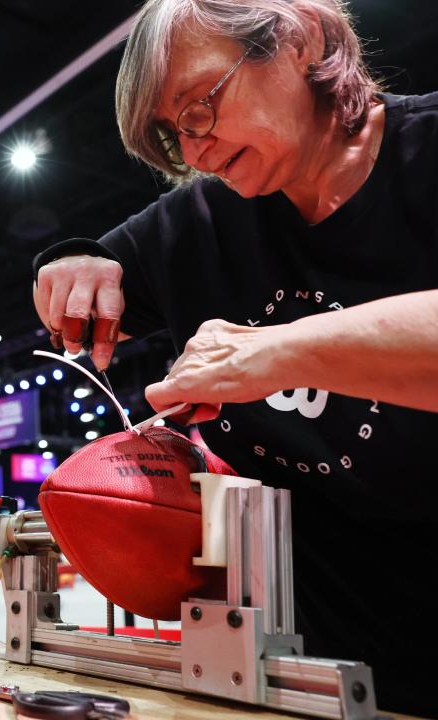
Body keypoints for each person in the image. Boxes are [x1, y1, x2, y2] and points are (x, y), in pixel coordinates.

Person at [31, 0, 437, 713]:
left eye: (200, 106)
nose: (193, 153)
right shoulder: (202, 220)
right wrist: (71, 261)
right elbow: (92, 268)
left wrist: (279, 352)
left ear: (302, 39)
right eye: (171, 131)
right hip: (308, 684)